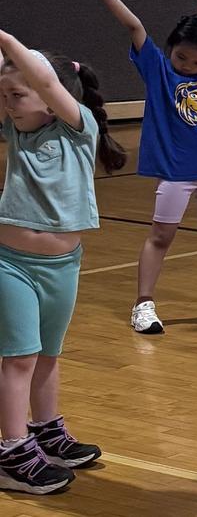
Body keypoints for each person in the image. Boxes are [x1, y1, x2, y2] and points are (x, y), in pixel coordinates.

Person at [61, 0, 197, 334]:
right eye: (181, 56)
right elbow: (133, 25)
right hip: (175, 174)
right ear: (170, 48)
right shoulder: (156, 69)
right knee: (160, 237)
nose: (187, 64)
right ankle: (143, 304)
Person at [0, 36, 127, 495]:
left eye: (18, 95)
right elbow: (24, 81)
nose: (9, 104)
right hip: (9, 264)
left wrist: (5, 41)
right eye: (4, 95)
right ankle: (12, 450)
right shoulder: (15, 130)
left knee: (47, 355)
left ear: (53, 102)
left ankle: (45, 430)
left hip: (62, 266)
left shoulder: (78, 127)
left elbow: (45, 79)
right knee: (19, 359)